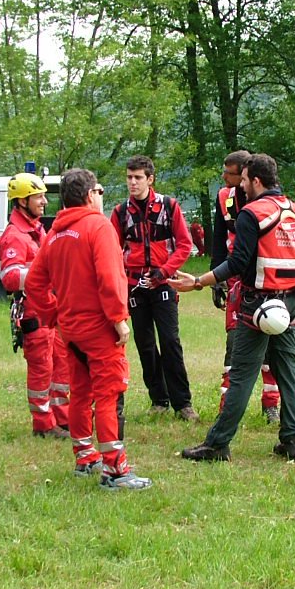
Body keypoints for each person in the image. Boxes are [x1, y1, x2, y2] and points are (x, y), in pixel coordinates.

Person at [173, 154, 295, 462]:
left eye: (245, 180)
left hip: (258, 305)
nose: (241, 186)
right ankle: (292, 440)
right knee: (288, 371)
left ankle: (218, 443)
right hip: (290, 303)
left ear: (257, 181)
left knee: (242, 374)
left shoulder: (252, 213)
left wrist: (198, 281)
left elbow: (237, 262)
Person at [25, 169, 151, 490]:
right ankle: (115, 470)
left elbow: (35, 282)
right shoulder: (99, 227)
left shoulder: (54, 234)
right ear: (88, 195)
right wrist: (119, 318)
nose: (101, 196)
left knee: (81, 393)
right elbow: (109, 277)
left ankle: (85, 456)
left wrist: (53, 315)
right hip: (99, 329)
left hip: (71, 330)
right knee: (109, 394)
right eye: (99, 190)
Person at [109, 156, 199, 422]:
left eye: (138, 177)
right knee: (145, 344)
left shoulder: (169, 206)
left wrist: (165, 271)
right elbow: (112, 249)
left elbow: (184, 244)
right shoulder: (120, 212)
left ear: (150, 179)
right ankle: (158, 399)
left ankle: (183, 403)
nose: (132, 182)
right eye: (129, 177)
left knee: (170, 342)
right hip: (135, 286)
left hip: (162, 283)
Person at [210, 150, 281, 424]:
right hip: (235, 278)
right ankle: (226, 409)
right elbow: (218, 239)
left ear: (245, 175)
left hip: (267, 281)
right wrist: (216, 280)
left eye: (228, 173)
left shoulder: (271, 199)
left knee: (272, 342)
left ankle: (271, 404)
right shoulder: (224, 198)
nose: (224, 177)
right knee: (234, 341)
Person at [0, 173, 70, 439]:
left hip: (50, 308)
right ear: (22, 201)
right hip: (33, 310)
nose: (44, 202)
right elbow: (9, 278)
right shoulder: (14, 235)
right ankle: (43, 423)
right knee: (42, 368)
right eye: (38, 197)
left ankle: (63, 417)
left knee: (61, 364)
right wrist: (42, 273)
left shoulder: (37, 229)